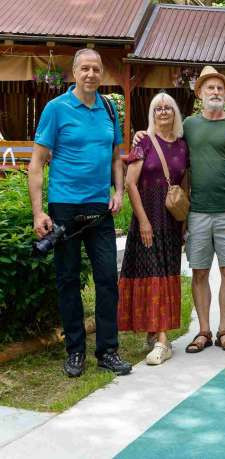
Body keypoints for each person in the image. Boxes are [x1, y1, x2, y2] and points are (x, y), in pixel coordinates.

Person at [29, 48, 131, 377]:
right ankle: (75, 352)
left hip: (99, 209)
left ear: (103, 74)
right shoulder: (56, 109)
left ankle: (107, 351)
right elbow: (36, 164)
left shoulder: (109, 108)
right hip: (64, 209)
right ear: (74, 72)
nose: (90, 74)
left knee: (106, 280)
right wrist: (38, 212)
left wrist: (119, 191)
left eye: (96, 69)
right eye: (84, 69)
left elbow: (117, 157)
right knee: (68, 281)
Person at [179, 66, 225, 355]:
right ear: (199, 93)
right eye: (210, 88)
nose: (215, 92)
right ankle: (204, 330)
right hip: (197, 211)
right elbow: (174, 155)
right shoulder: (189, 125)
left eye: (220, 88)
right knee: (199, 272)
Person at [118, 93, 188, 366]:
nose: (162, 112)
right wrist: (144, 221)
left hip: (171, 219)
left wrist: (183, 221)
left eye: (168, 107)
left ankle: (156, 332)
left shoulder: (183, 145)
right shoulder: (144, 141)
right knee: (153, 271)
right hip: (148, 215)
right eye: (157, 108)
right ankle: (161, 340)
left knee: (166, 272)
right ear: (152, 113)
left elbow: (185, 183)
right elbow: (129, 183)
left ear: (175, 113)